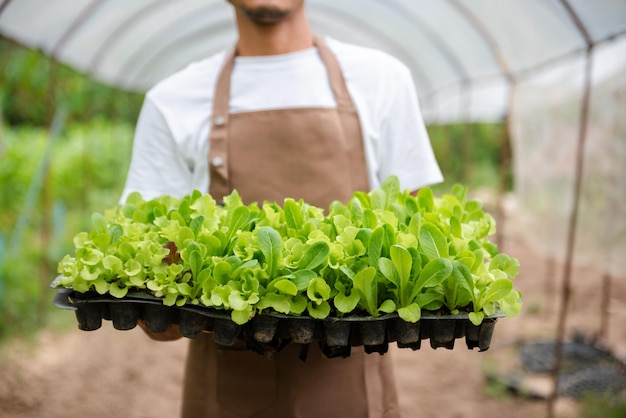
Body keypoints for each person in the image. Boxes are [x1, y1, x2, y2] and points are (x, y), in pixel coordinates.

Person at [120, 1, 443, 417]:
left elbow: (415, 256)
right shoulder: (172, 101)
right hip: (225, 391)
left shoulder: (383, 80)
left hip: (353, 391)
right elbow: (156, 313)